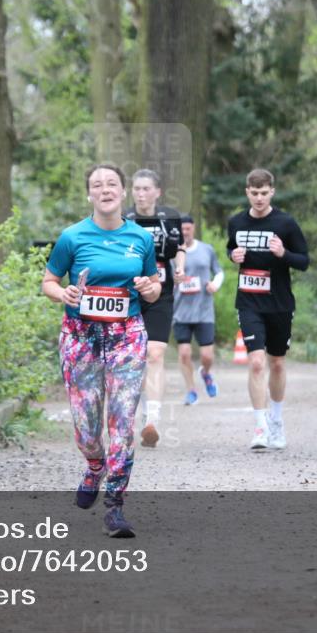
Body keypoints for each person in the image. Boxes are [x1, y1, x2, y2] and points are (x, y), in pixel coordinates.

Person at [42, 164, 160, 538]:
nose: (105, 189)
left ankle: (115, 505)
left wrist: (147, 287)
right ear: (89, 194)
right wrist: (64, 293)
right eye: (97, 184)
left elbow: (154, 287)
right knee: (87, 428)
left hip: (127, 335)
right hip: (81, 337)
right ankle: (95, 464)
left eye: (112, 184)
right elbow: (49, 281)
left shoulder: (140, 238)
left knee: (122, 422)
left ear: (123, 192)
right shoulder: (72, 237)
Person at [226, 169, 309, 451]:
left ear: (272, 191)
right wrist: (232, 255)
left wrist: (283, 254)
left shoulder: (285, 223)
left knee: (276, 363)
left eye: (264, 193)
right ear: (247, 192)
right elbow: (230, 249)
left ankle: (276, 419)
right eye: (254, 192)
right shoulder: (236, 222)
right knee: (257, 362)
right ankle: (260, 427)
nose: (259, 198)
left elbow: (304, 261)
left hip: (280, 304)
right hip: (248, 302)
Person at [123, 169, 185, 448]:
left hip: (162, 293)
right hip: (129, 296)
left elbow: (178, 249)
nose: (141, 193)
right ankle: (123, 418)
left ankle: (152, 420)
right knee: (130, 358)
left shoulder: (169, 217)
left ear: (157, 192)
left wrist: (180, 267)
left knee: (155, 353)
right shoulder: (124, 220)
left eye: (147, 188)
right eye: (137, 188)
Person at [172, 215, 224, 405]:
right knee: (184, 353)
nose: (185, 232)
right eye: (181, 229)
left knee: (206, 356)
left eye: (188, 228)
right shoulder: (173, 253)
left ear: (193, 228)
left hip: (203, 311)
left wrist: (215, 285)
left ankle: (206, 372)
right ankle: (191, 391)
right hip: (181, 312)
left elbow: (219, 271)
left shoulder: (206, 250)